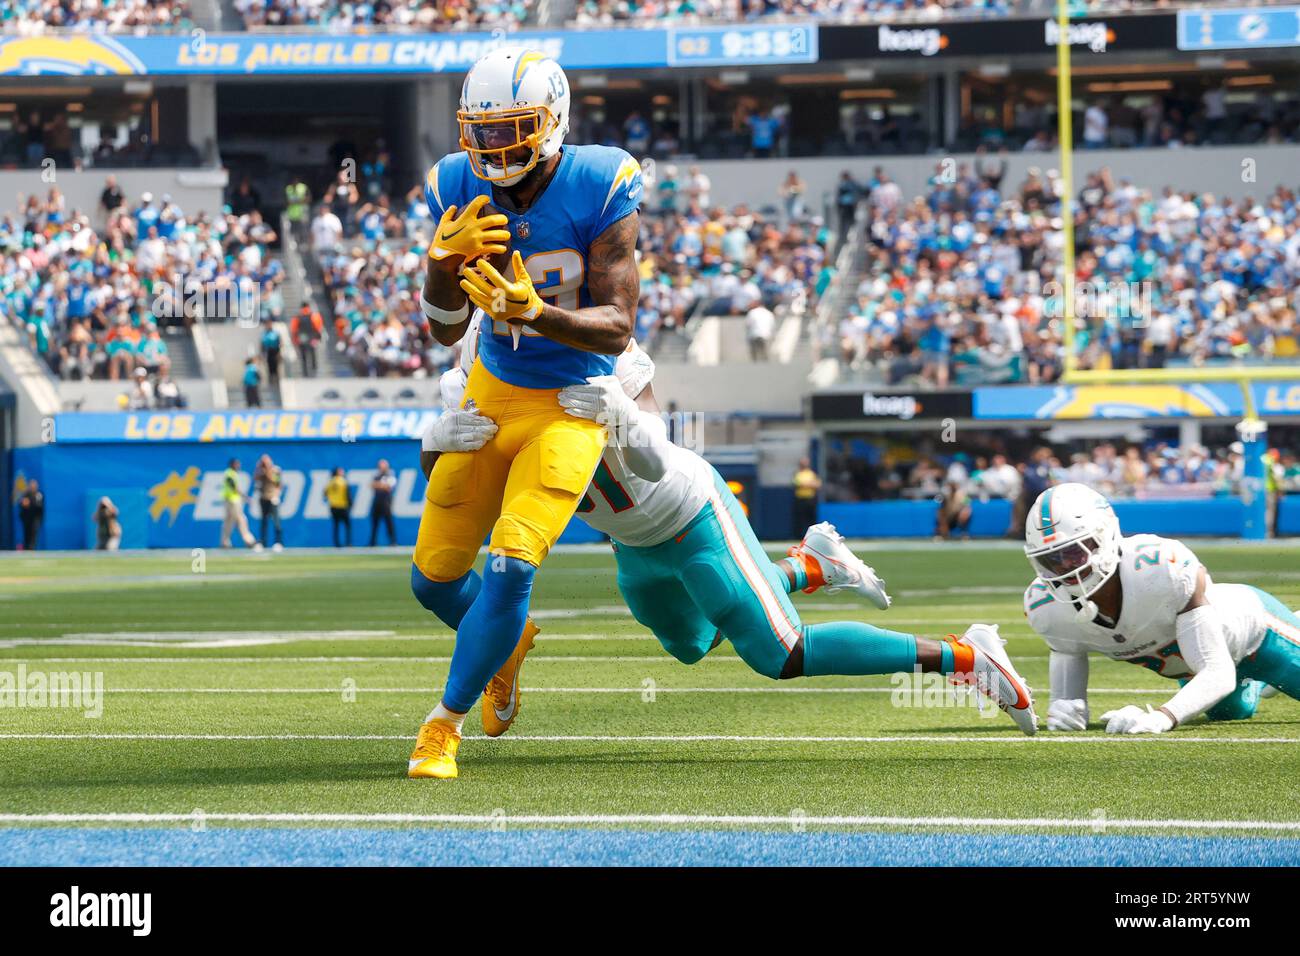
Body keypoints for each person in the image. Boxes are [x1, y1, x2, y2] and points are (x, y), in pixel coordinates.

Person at [425, 323, 1038, 740]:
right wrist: (434, 443)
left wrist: (625, 421)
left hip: (689, 514)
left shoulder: (599, 342)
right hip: (629, 543)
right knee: (690, 645)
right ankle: (809, 567)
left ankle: (965, 656)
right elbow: (457, 485)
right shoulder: (473, 367)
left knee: (781, 653)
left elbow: (658, 461)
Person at [408, 48, 643, 780]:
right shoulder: (453, 181)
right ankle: (505, 644)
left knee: (511, 561)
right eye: (480, 130)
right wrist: (438, 267)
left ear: (551, 122)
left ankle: (440, 728)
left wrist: (535, 312)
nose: (490, 147)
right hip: (491, 391)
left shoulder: (599, 180)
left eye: (510, 128)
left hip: (571, 399)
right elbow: (446, 331)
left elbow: (618, 327)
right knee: (433, 579)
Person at [1024, 483, 1300, 734]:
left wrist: (1161, 716)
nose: (1065, 568)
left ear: (1104, 537)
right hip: (1196, 667)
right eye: (1051, 560)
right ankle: (1263, 684)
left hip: (1257, 634)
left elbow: (1217, 672)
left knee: (1241, 677)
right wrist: (1066, 709)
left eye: (1074, 553)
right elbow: (1068, 692)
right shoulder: (1046, 607)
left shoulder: (1160, 567)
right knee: (1232, 712)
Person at [220, 458, 260, 550]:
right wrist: (245, 497)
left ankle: (225, 543)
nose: (238, 466)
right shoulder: (230, 474)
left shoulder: (230, 473)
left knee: (228, 522)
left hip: (229, 500)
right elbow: (234, 487)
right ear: (232, 464)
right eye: (237, 464)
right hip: (232, 501)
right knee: (241, 520)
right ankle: (249, 541)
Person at [254, 454, 284, 551]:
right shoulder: (261, 471)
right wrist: (258, 468)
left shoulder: (276, 470)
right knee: (264, 521)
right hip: (263, 498)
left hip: (273, 498)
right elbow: (255, 478)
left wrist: (267, 469)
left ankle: (279, 542)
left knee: (276, 521)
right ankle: (263, 543)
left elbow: (276, 481)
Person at [291, 302, 324, 378]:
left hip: (302, 337)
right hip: (312, 337)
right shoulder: (314, 315)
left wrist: (295, 339)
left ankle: (305, 371)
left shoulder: (297, 317)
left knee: (303, 355)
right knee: (313, 352)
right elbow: (318, 326)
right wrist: (319, 337)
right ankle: (314, 368)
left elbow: (294, 329)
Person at [792, 457, 821, 538]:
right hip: (800, 499)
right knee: (799, 519)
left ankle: (812, 536)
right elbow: (797, 484)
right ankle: (798, 537)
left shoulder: (811, 473)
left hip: (810, 499)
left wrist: (806, 484)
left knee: (811, 519)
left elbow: (817, 484)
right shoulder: (797, 473)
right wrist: (809, 484)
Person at [369, 459, 396, 546]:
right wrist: (381, 485)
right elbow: (371, 485)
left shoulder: (390, 476)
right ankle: (372, 542)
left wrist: (378, 485)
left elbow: (388, 486)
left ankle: (393, 541)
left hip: (386, 503)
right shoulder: (377, 476)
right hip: (377, 502)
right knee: (374, 523)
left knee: (389, 523)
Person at [325, 467, 352, 547]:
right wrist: (350, 504)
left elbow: (325, 493)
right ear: (338, 472)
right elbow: (348, 494)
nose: (343, 472)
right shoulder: (343, 481)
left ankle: (337, 544)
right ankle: (348, 543)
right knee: (347, 525)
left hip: (333, 506)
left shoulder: (330, 482)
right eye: (341, 471)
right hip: (343, 506)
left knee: (336, 526)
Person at [18, 480, 44, 551]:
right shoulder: (26, 494)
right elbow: (20, 503)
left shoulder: (39, 494)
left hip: (35, 519)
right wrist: (23, 503)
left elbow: (39, 507)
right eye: (31, 485)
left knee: (33, 535)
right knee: (27, 534)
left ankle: (31, 549)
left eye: (34, 485)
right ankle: (26, 549)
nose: (33, 487)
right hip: (26, 519)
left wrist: (30, 502)